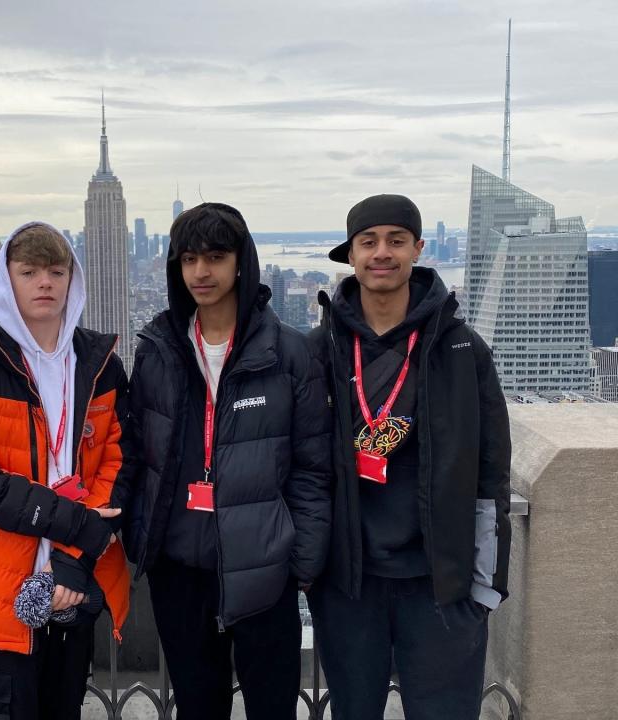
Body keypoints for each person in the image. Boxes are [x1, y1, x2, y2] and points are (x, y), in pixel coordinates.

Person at [123, 202, 332, 720]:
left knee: (272, 708)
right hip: (180, 571)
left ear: (241, 262)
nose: (200, 272)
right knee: (197, 708)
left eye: (215, 257)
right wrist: (145, 540)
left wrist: (300, 561)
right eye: (189, 258)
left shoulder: (288, 353)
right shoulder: (159, 349)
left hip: (265, 571)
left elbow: (312, 467)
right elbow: (137, 453)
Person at [307, 194, 512, 720]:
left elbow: (491, 471)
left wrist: (485, 587)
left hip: (440, 580)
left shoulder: (462, 350)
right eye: (368, 242)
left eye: (396, 241)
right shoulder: (318, 350)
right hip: (348, 580)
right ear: (349, 255)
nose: (382, 253)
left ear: (419, 249)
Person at [0, 221, 132, 720]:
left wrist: (69, 562)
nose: (45, 283)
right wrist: (72, 522)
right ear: (7, 280)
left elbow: (120, 461)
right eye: (29, 272)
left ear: (72, 280)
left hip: (77, 580)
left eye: (56, 271)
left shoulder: (101, 362)